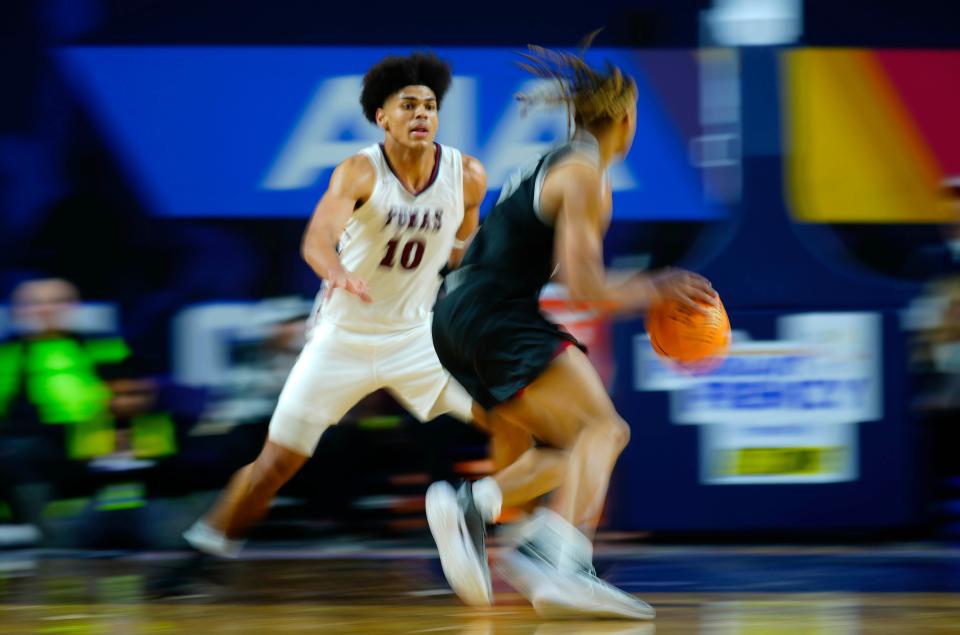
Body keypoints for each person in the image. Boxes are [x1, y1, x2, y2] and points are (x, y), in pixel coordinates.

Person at [426, 46, 717, 619]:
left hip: (457, 319)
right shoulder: (584, 176)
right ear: (626, 122)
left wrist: (645, 287)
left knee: (571, 449)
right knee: (605, 429)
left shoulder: (553, 163)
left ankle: (470, 506)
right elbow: (587, 289)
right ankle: (560, 562)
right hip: (493, 313)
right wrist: (660, 285)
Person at [182, 52, 491, 556]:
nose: (421, 115)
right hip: (341, 340)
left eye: (430, 106)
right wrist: (339, 273)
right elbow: (316, 241)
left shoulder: (468, 175)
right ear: (381, 117)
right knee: (274, 467)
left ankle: (508, 522)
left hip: (414, 338)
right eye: (408, 105)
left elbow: (464, 252)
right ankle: (207, 549)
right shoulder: (358, 172)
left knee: (510, 413)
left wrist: (473, 291)